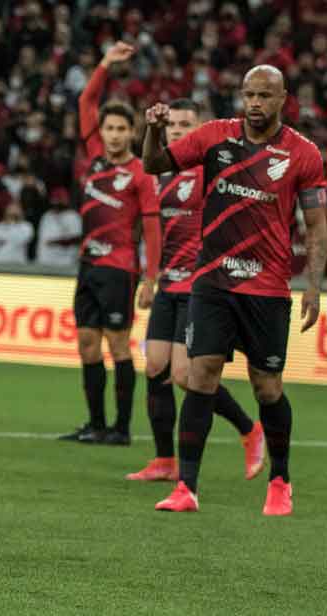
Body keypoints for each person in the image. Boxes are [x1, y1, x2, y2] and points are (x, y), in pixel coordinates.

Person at [143, 65, 327, 515]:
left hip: (266, 287)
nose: (255, 103)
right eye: (249, 95)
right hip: (214, 281)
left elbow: (317, 227)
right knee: (200, 375)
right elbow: (154, 164)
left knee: (266, 387)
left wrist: (313, 286)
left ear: (283, 98)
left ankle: (280, 479)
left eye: (265, 95)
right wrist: (153, 131)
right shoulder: (213, 137)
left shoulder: (303, 155)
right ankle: (186, 486)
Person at [127, 98, 265, 482]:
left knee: (187, 376)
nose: (177, 130)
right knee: (155, 366)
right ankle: (163, 460)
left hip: (202, 284)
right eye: (172, 124)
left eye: (186, 125)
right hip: (169, 282)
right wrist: (150, 277)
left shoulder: (210, 169)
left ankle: (248, 429)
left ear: (199, 129)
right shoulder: (161, 172)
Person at [59, 42, 162, 445]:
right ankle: (96, 424)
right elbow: (87, 99)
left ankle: (120, 429)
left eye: (122, 128)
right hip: (88, 264)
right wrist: (104, 64)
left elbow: (152, 230)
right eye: (109, 128)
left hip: (119, 269)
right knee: (87, 344)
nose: (115, 135)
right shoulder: (96, 157)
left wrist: (150, 278)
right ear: (101, 132)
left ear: (133, 132)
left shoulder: (141, 174)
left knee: (118, 344)